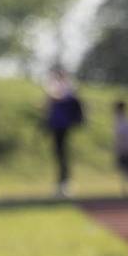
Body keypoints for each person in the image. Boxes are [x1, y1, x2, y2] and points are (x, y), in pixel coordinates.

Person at [43, 66, 85, 197]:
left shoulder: (67, 89)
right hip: (57, 126)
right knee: (59, 154)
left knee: (62, 155)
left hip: (62, 126)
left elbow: (56, 96)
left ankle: (64, 183)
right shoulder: (62, 88)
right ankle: (62, 183)